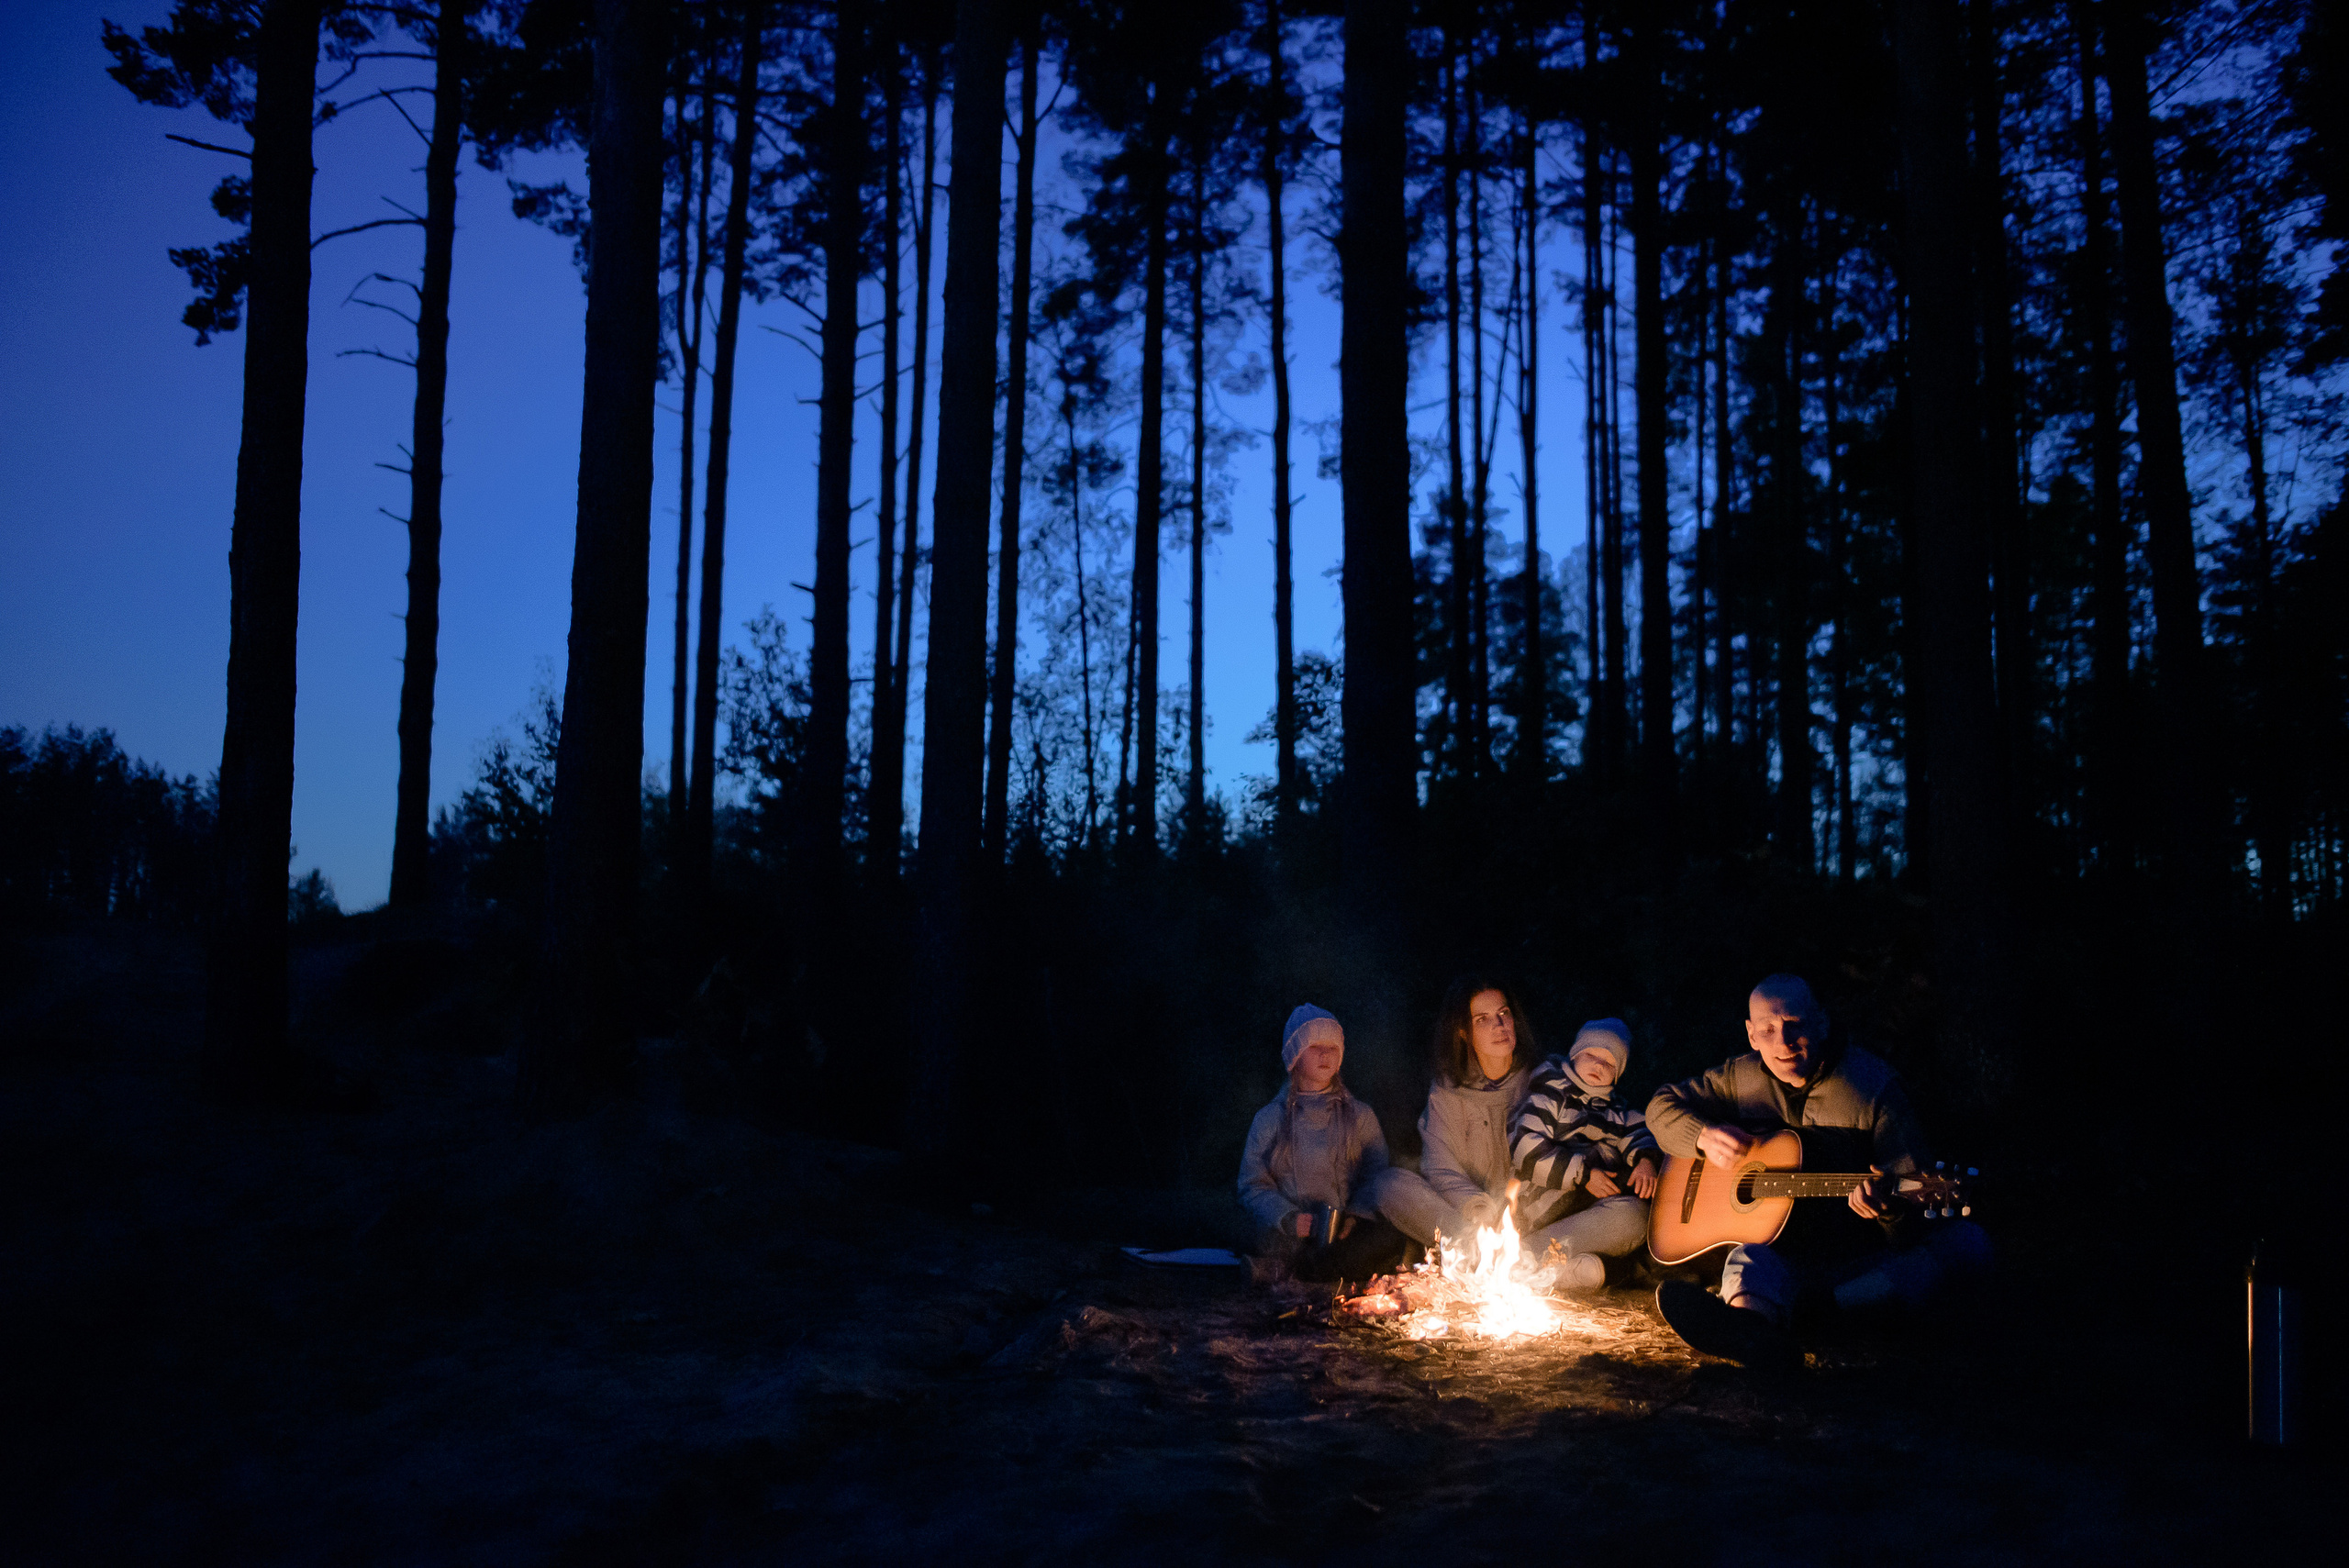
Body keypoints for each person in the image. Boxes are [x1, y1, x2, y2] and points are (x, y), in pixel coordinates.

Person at [1645, 973, 1992, 1367]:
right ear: (1751, 1035)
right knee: (1747, 1261)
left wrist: (1889, 1211)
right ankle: (1753, 1329)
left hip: (1854, 1258)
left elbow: (1912, 1221)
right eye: (1768, 1030)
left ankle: (1790, 1322)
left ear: (1822, 1023)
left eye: (1795, 1025)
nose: (1783, 1042)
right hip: (1784, 1252)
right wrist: (1702, 1135)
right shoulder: (1739, 1077)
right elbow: (1660, 1108)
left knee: (1963, 1245)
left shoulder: (1872, 1088)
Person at [1360, 974, 1544, 1264]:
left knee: (1626, 1215)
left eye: (1503, 1013)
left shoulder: (1544, 1081)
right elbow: (1440, 1167)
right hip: (1469, 1221)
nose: (1500, 1026)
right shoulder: (1449, 1091)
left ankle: (1511, 1258)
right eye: (1482, 1019)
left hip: (1532, 1221)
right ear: (1463, 1031)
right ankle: (1481, 1255)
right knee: (1389, 1184)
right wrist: (1480, 1208)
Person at [1236, 1004, 1412, 1283]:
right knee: (1258, 1232)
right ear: (1294, 1056)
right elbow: (1252, 1185)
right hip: (1290, 1232)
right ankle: (1301, 1267)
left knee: (1388, 1237)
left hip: (1342, 1232)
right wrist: (1287, 1218)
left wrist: (1355, 1216)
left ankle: (1292, 1272)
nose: (1325, 1053)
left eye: (1332, 1046)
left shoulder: (1360, 1116)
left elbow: (1377, 1176)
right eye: (1314, 1045)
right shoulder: (1270, 1118)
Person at [1509, 1018, 1661, 1289]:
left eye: (1610, 1063)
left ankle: (1560, 1272)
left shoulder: (1616, 1109)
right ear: (1575, 1055)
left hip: (1587, 1211)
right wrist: (1584, 1174)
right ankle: (1518, 1261)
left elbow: (1639, 1132)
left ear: (1618, 1074)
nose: (1599, 1065)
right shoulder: (1551, 1090)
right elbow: (1524, 1149)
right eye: (1591, 1054)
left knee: (1636, 1216)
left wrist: (1646, 1161)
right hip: (1542, 1208)